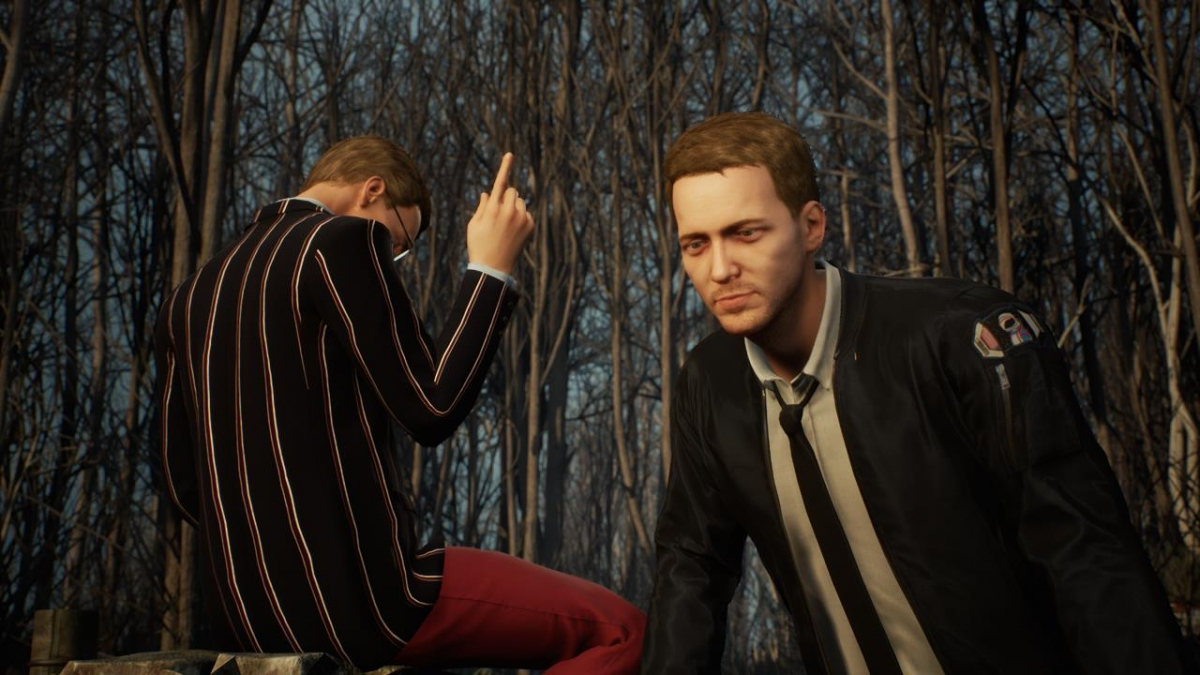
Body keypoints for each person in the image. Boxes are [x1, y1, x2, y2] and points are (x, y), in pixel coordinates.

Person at [641, 112, 1194, 674]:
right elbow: (692, 569)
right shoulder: (708, 382)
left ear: (811, 227)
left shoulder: (959, 335)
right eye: (696, 244)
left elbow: (1088, 554)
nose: (720, 269)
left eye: (745, 233)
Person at [155, 135, 644, 673]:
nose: (392, 258)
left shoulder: (189, 295)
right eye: (398, 241)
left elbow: (182, 483)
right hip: (370, 608)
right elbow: (432, 408)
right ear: (372, 191)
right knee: (627, 632)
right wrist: (491, 267)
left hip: (244, 622)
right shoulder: (341, 241)